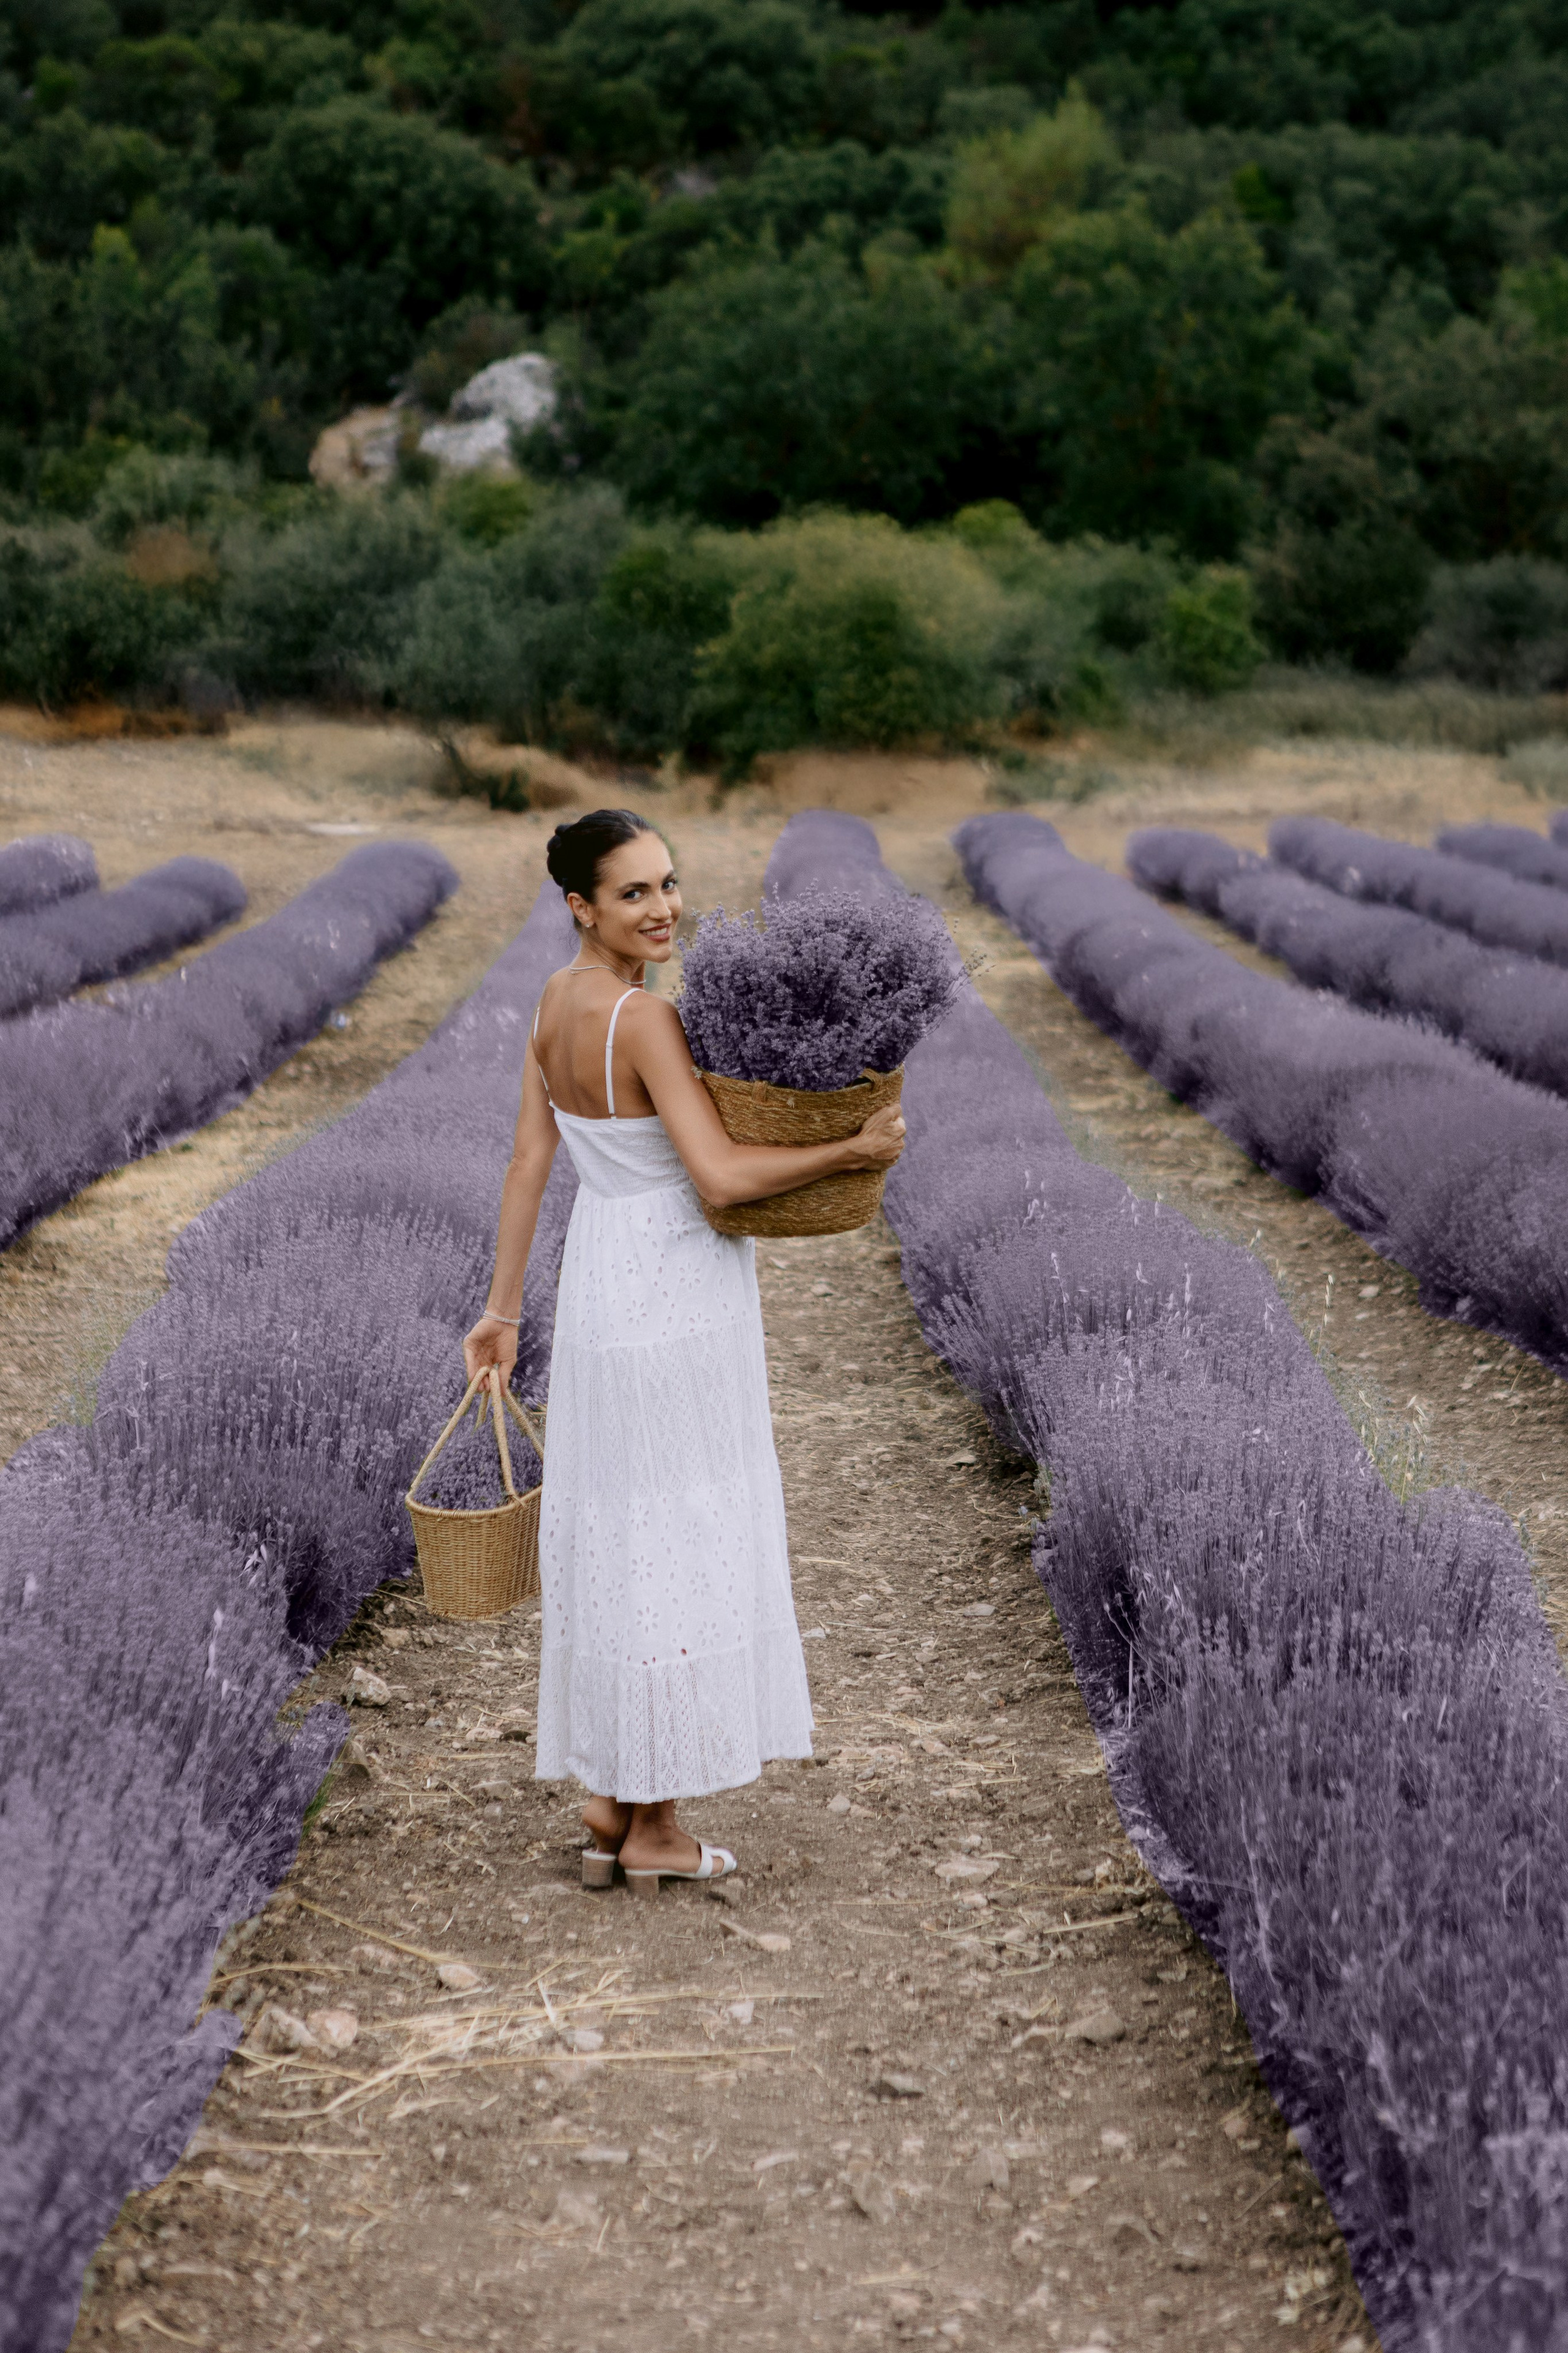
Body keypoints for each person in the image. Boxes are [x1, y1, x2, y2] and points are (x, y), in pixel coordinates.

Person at [464, 810, 906, 1894]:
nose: (662, 907)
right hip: (673, 1283)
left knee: (618, 1522)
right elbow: (715, 1177)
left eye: (668, 884)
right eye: (633, 894)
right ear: (582, 906)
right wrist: (853, 1144)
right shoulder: (640, 1019)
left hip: (602, 1277)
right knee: (673, 1526)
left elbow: (531, 1163)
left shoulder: (551, 1008)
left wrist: (503, 1309)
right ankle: (656, 1827)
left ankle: (612, 1794)